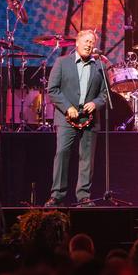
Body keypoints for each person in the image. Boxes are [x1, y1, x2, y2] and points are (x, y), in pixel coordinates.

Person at [44, 29, 107, 207]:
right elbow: (52, 90)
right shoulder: (62, 62)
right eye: (86, 41)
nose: (89, 45)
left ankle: (83, 196)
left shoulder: (99, 66)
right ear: (77, 43)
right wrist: (67, 107)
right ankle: (57, 195)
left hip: (90, 119)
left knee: (87, 158)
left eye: (92, 42)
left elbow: (105, 94)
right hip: (66, 118)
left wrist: (95, 103)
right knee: (62, 153)